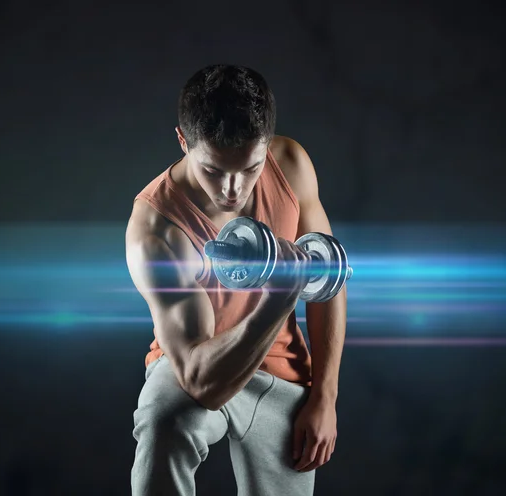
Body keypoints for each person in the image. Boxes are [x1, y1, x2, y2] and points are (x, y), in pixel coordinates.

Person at [126, 64, 347, 496]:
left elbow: (327, 282)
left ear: (266, 145)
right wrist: (276, 302)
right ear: (183, 141)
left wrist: (325, 396)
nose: (232, 190)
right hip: (195, 364)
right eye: (213, 170)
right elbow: (200, 379)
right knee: (163, 418)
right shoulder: (157, 229)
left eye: (249, 169)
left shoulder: (290, 165)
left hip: (282, 374)